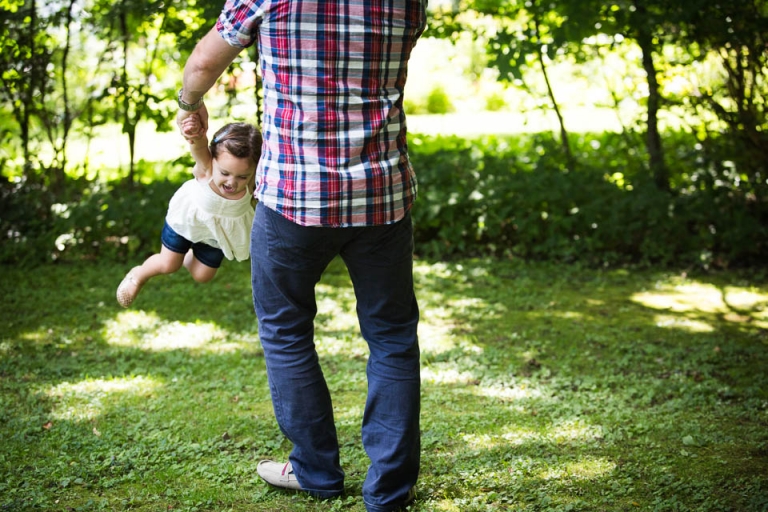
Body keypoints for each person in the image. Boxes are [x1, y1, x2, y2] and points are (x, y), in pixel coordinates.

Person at [175, 1, 427, 510]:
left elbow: (204, 62)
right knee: (392, 338)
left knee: (287, 332)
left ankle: (315, 471)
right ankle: (389, 493)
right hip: (380, 195)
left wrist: (190, 101)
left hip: (294, 196)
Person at [116, 116, 262, 308]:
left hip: (215, 235)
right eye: (225, 173)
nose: (231, 182)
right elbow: (199, 146)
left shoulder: (252, 184)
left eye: (242, 177)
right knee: (168, 264)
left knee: (202, 276)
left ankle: (186, 255)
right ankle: (137, 276)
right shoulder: (206, 168)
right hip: (186, 222)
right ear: (213, 159)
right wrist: (195, 133)